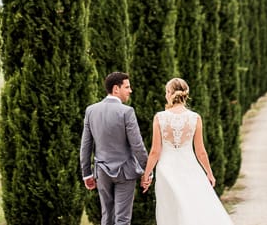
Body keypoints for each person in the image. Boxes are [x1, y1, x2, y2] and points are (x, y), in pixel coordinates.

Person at [140, 78, 233, 224]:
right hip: (190, 167)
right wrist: (209, 173)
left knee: (170, 210)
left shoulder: (160, 117)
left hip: (166, 169)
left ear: (169, 93)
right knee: (192, 206)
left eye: (166, 92)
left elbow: (155, 151)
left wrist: (146, 175)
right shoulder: (195, 118)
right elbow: (200, 151)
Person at [81, 71, 149, 225]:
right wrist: (147, 170)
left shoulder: (91, 111)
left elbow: (86, 145)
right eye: (127, 87)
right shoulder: (127, 112)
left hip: (102, 171)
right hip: (125, 172)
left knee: (107, 216)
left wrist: (87, 174)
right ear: (116, 89)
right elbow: (137, 145)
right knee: (123, 219)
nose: (130, 90)